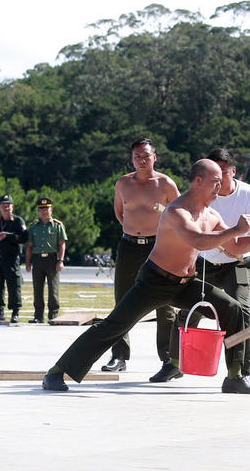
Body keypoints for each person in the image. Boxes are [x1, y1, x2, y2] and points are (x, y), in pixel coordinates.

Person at [41, 159, 250, 394]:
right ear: (198, 181)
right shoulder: (177, 211)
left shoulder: (211, 215)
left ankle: (235, 376)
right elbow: (198, 241)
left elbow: (236, 248)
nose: (221, 186)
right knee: (114, 326)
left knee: (234, 310)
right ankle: (57, 371)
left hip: (186, 284)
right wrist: (235, 229)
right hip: (155, 281)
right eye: (215, 181)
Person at [162, 148, 250, 385]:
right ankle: (174, 363)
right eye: (213, 175)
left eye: (222, 174)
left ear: (233, 172)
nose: (217, 182)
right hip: (206, 262)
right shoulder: (204, 195)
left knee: (240, 311)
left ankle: (239, 372)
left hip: (239, 262)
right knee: (188, 310)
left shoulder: (248, 195)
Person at [100, 138, 180, 373]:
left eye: (146, 156)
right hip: (129, 246)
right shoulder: (123, 183)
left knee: (164, 303)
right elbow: (120, 213)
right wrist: (135, 232)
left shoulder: (166, 184)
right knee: (122, 301)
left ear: (155, 157)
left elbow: (180, 215)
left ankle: (168, 358)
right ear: (131, 158)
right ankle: (119, 356)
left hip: (158, 246)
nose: (141, 160)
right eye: (137, 157)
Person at [0, 194, 28, 323]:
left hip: (11, 259)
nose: (6, 208)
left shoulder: (18, 221)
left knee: (14, 286)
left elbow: (24, 238)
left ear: (12, 207)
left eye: (8, 206)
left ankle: (15, 312)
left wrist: (8, 236)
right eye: (3, 206)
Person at [25, 197, 68, 324]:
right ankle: (38, 316)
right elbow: (29, 246)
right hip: (37, 260)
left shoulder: (57, 226)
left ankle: (53, 316)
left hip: (52, 259)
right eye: (41, 209)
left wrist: (60, 260)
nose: (44, 211)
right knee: (37, 289)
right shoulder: (33, 227)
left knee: (53, 289)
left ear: (51, 210)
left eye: (46, 209)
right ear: (38, 211)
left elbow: (62, 244)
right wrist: (28, 263)